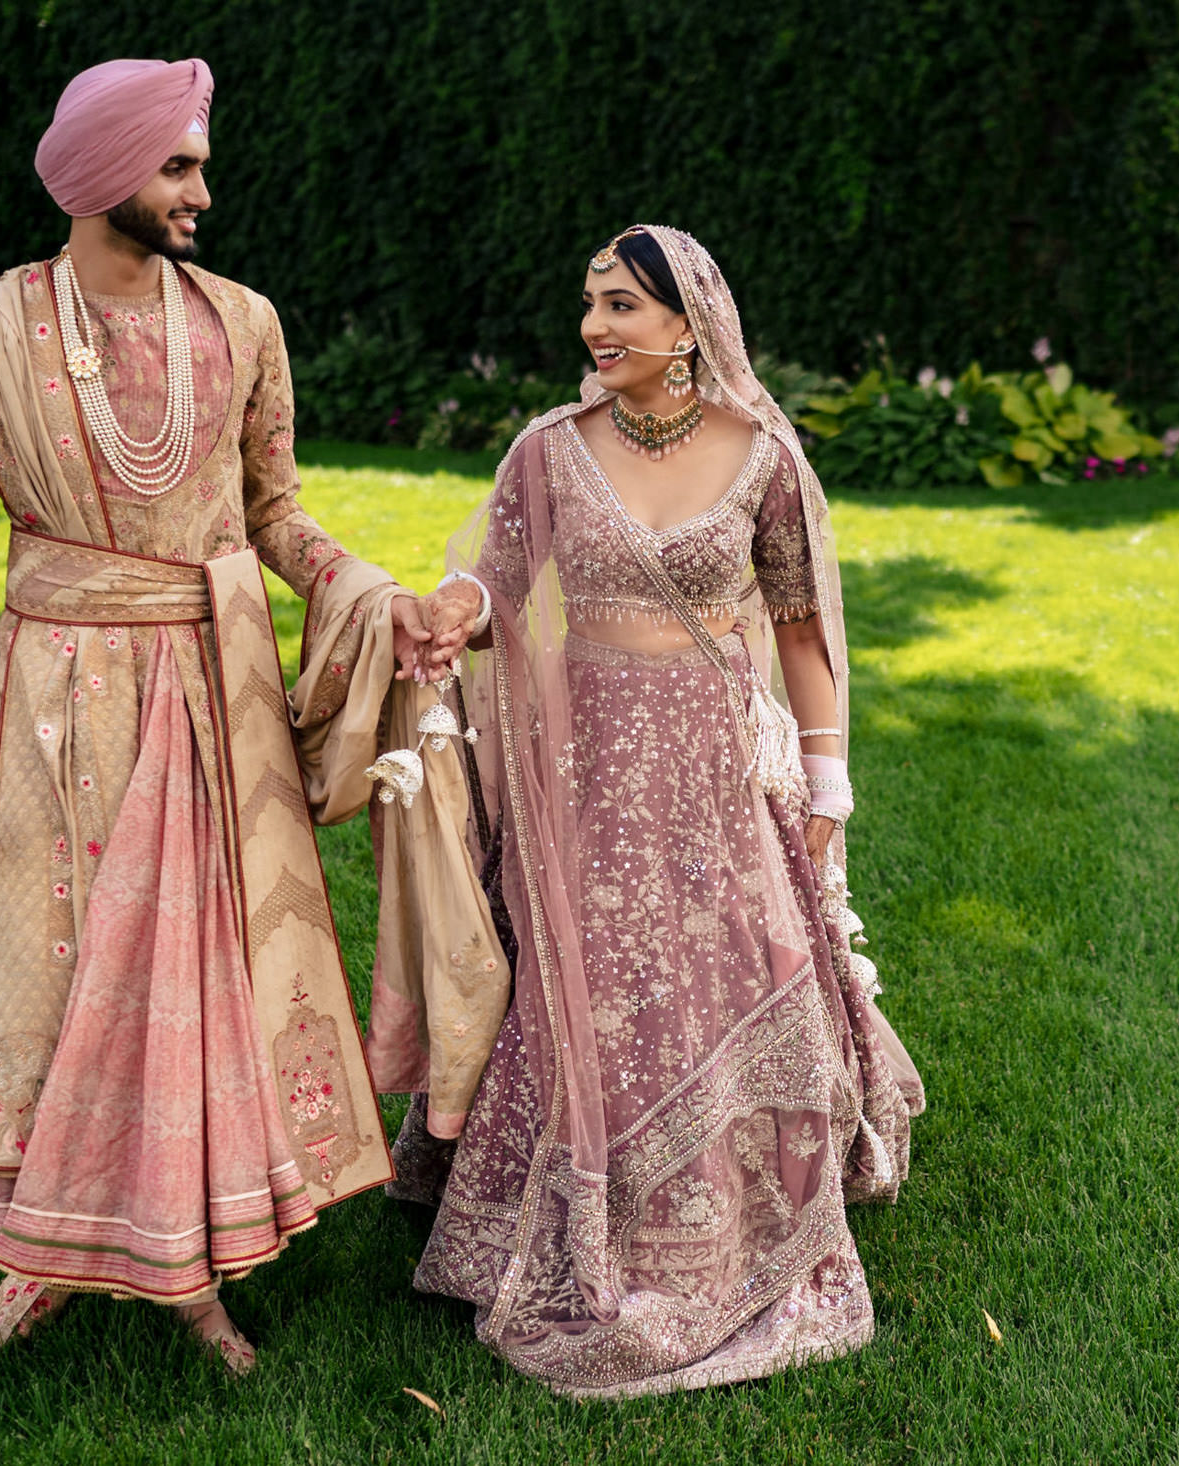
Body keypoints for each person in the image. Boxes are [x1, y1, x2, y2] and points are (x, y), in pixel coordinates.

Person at [0, 57, 435, 1373]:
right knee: (55, 978)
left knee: (191, 986)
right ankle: (46, 1248)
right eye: (178, 164)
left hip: (205, 698)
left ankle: (184, 1262)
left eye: (201, 161)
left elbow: (276, 517)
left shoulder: (244, 324)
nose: (203, 187)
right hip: (51, 705)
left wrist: (371, 592)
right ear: (97, 174)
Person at [384, 225, 924, 1398]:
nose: (595, 326)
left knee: (725, 964)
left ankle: (737, 1214)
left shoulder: (762, 457)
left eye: (622, 305)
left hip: (716, 771)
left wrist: (828, 782)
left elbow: (799, 628)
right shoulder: (549, 451)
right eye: (590, 302)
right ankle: (578, 1207)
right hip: (584, 775)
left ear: (688, 327)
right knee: (597, 974)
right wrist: (447, 608)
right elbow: (498, 577)